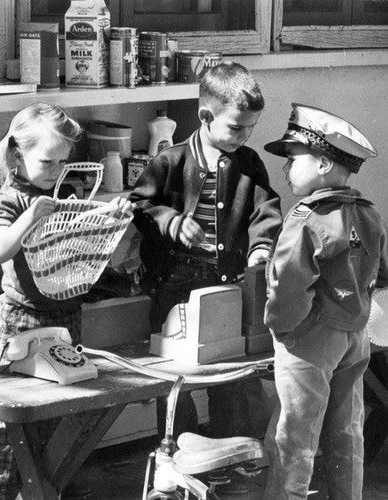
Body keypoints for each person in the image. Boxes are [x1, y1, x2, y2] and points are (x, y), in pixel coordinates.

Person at [0, 102, 132, 500]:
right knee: (7, 431)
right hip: (19, 323)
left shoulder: (67, 192)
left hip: (65, 318)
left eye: (63, 162)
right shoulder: (6, 199)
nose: (56, 171)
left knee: (60, 421)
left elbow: (84, 249)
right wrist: (31, 216)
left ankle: (46, 491)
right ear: (16, 155)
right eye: (47, 161)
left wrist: (112, 218)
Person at [130, 62, 282, 457]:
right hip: (174, 285)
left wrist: (261, 246)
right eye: (235, 127)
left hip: (227, 283)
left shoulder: (249, 163)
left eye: (250, 128)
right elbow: (139, 206)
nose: (244, 136)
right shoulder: (170, 161)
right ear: (205, 116)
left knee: (229, 368)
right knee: (175, 376)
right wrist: (170, 223)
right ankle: (178, 453)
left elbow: (266, 211)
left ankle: (229, 453)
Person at [262, 103, 388, 499]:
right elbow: (378, 273)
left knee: (294, 436)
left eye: (292, 158)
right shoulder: (368, 214)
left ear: (321, 164)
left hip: (309, 340)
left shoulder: (306, 218)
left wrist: (282, 329)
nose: (285, 168)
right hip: (354, 336)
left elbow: (288, 284)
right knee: (347, 432)